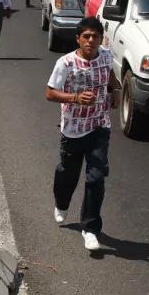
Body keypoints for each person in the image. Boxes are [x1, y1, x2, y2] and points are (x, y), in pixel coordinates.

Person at [45, 17, 121, 252]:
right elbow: (50, 93)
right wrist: (76, 98)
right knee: (68, 173)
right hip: (73, 129)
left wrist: (115, 90)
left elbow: (110, 77)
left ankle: (90, 228)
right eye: (86, 36)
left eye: (95, 36)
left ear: (100, 39)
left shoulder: (107, 56)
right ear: (78, 38)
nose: (91, 40)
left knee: (96, 178)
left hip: (100, 126)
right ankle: (62, 202)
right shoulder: (66, 63)